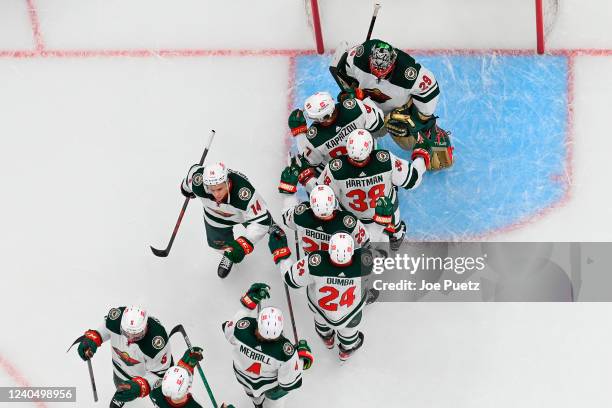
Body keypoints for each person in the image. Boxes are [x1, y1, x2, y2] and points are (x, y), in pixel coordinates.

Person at [333, 39, 453, 170]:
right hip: (368, 107)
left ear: (393, 61)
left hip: (396, 114)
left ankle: (433, 133)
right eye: (375, 68)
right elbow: (344, 71)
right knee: (353, 139)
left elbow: (429, 91)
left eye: (383, 70)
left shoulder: (409, 73)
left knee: (413, 147)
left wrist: (418, 121)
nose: (378, 74)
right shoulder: (359, 56)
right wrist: (351, 90)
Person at [301, 128, 429, 248]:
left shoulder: (335, 168)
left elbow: (320, 196)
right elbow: (413, 179)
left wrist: (307, 178)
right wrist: (422, 154)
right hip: (387, 213)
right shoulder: (385, 160)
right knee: (394, 230)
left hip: (352, 222)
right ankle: (396, 233)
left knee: (358, 249)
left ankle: (393, 235)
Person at [269, 232, 372, 360]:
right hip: (351, 312)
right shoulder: (365, 261)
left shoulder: (315, 262)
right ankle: (346, 352)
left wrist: (281, 253)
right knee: (349, 334)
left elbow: (290, 280)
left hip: (320, 309)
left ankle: (327, 339)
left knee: (321, 322)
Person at [222, 283, 313, 408]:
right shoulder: (285, 351)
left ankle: (257, 403)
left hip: (243, 377)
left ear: (258, 323)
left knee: (252, 394)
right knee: (278, 396)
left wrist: (248, 302)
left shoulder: (241, 329)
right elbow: (288, 381)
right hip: (269, 385)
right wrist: (302, 358)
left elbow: (228, 329)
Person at [279, 91, 384, 195]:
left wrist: (299, 133)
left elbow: (307, 163)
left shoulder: (313, 139)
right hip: (374, 166)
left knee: (313, 178)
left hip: (343, 181)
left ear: (324, 117)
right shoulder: (355, 107)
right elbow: (378, 122)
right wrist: (362, 98)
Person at [181, 161, 273, 278]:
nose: (216, 195)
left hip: (242, 214)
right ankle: (228, 254)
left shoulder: (243, 192)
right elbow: (192, 171)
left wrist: (243, 243)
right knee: (218, 244)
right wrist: (185, 188)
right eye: (212, 190)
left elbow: (260, 222)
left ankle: (272, 225)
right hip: (215, 216)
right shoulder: (197, 182)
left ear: (227, 181)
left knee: (262, 221)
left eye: (219, 189)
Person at [76, 306, 172, 407]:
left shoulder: (157, 340)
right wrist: (94, 338)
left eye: (136, 335)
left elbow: (160, 373)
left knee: (160, 395)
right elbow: (105, 329)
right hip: (119, 368)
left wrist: (141, 386)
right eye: (126, 333)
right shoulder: (116, 319)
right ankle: (122, 394)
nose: (130, 339)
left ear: (145, 326)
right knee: (120, 384)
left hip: (145, 375)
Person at [281, 184, 369, 255]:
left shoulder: (301, 214)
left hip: (311, 266)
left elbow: (286, 219)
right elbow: (366, 246)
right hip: (340, 268)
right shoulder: (347, 222)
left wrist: (287, 188)